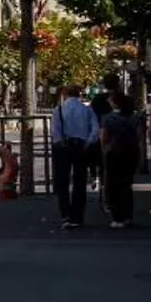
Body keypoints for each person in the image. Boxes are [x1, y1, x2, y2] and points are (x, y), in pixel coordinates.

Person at [50, 84, 101, 229]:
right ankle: (77, 216)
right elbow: (95, 128)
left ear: (65, 94)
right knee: (80, 181)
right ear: (79, 94)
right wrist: (89, 141)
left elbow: (56, 131)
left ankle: (65, 215)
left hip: (64, 146)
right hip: (81, 145)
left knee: (63, 182)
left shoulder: (59, 110)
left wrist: (60, 142)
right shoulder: (86, 109)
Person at [101, 92, 143, 230]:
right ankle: (128, 216)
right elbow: (139, 135)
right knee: (127, 184)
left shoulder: (107, 118)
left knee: (114, 185)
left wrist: (104, 149)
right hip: (131, 152)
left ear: (114, 103)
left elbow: (104, 137)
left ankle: (117, 217)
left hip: (114, 152)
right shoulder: (135, 117)